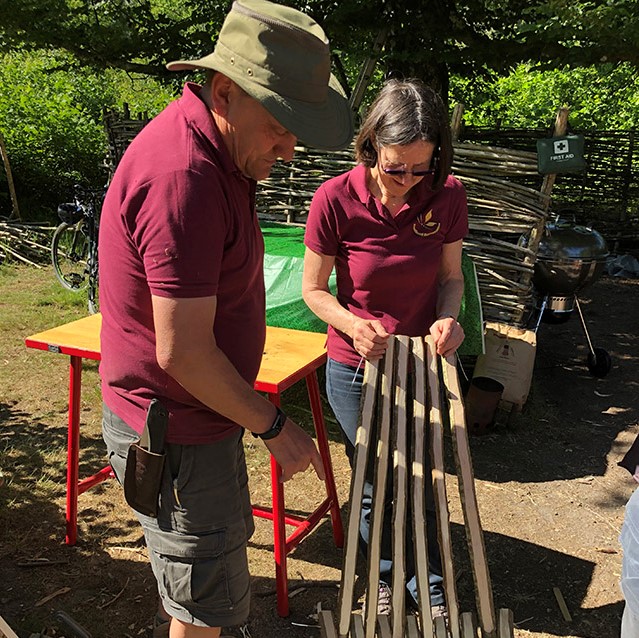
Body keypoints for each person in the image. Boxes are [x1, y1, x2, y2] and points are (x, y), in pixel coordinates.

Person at [98, 1, 353, 637]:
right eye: (279, 126)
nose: (289, 150)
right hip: (178, 430)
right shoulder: (183, 176)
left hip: (198, 421)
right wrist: (273, 425)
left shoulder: (219, 150)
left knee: (197, 581)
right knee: (205, 603)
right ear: (224, 91)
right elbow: (181, 352)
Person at [302, 78, 467, 620]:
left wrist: (448, 317)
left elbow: (450, 279)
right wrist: (352, 325)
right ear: (371, 146)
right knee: (373, 480)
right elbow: (313, 291)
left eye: (421, 169)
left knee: (423, 476)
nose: (408, 181)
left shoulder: (446, 195)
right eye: (396, 168)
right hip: (357, 367)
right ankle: (384, 578)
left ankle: (432, 586)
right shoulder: (334, 198)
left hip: (422, 362)